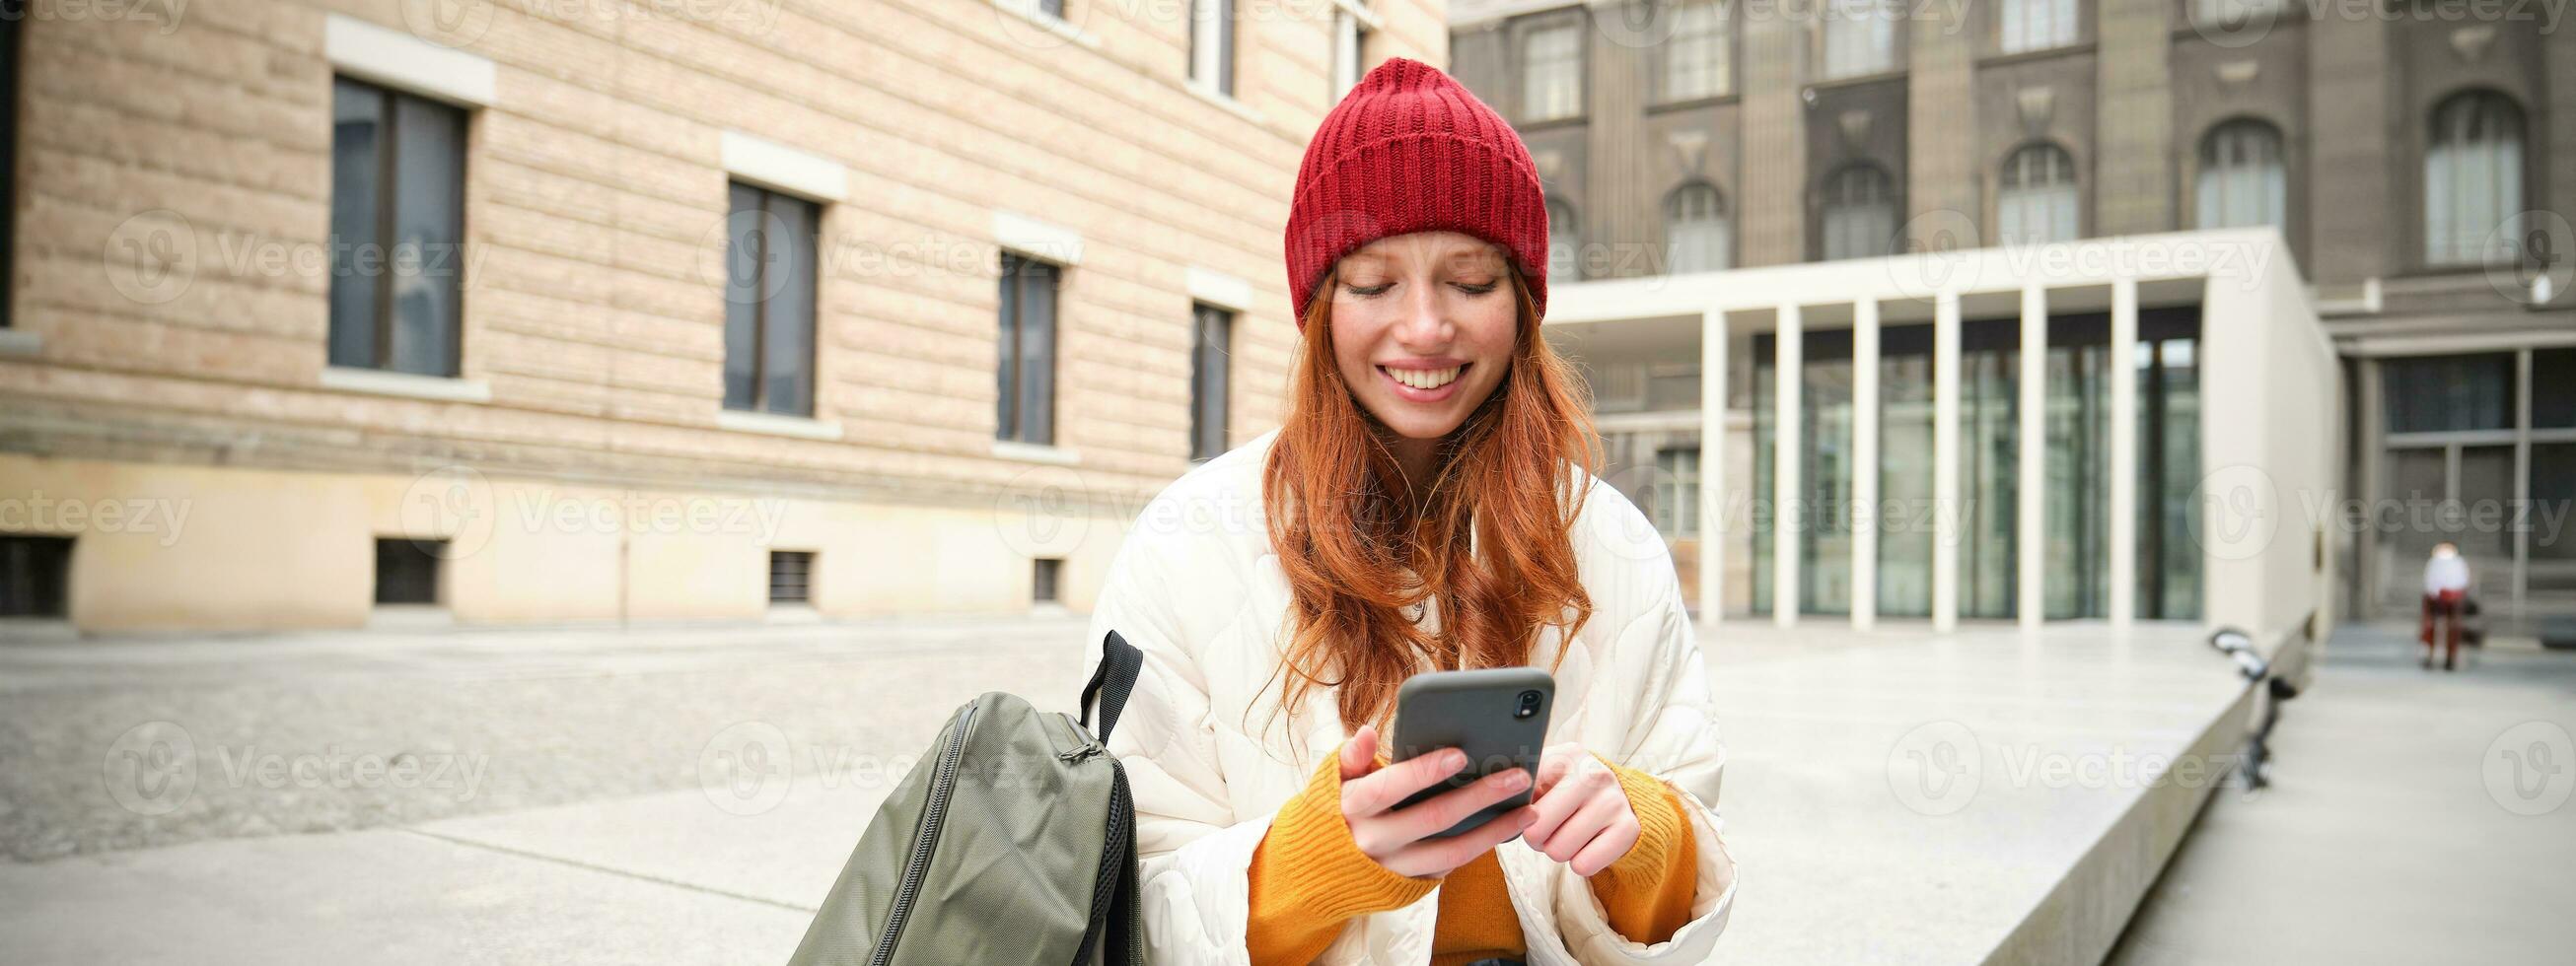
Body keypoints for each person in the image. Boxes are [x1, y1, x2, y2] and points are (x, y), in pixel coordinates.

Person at [1080, 58, 1739, 966]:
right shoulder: (1184, 543)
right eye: (1373, 283)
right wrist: (1316, 858)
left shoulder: (1614, 541)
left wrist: (1643, 836)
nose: (1425, 327)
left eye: (1470, 282)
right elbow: (1123, 907)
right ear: (1317, 305)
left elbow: (1683, 876)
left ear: (1524, 303)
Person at [2422, 542, 2471, 671]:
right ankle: (2433, 654)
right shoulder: (2439, 562)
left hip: (2449, 598)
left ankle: (2447, 656)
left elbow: (2461, 581)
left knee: (2450, 627)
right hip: (2438, 598)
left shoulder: (2455, 562)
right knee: (2431, 626)